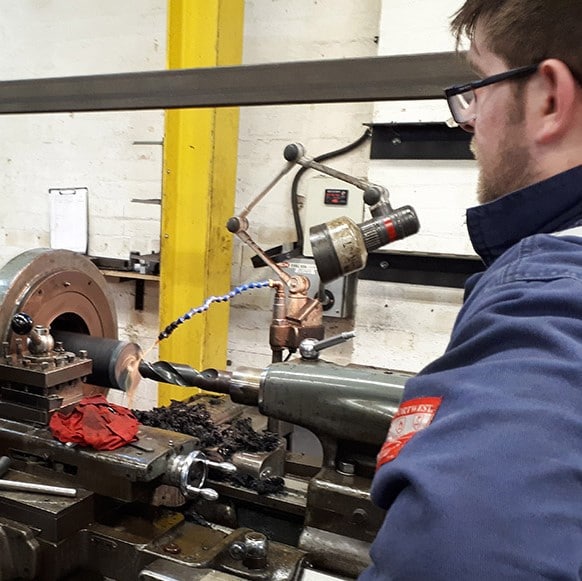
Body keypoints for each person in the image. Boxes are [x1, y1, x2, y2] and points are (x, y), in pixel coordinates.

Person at [360, 1, 582, 579]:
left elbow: (458, 554)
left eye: (480, 86)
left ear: (549, 99)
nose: (467, 120)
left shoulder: (549, 289)